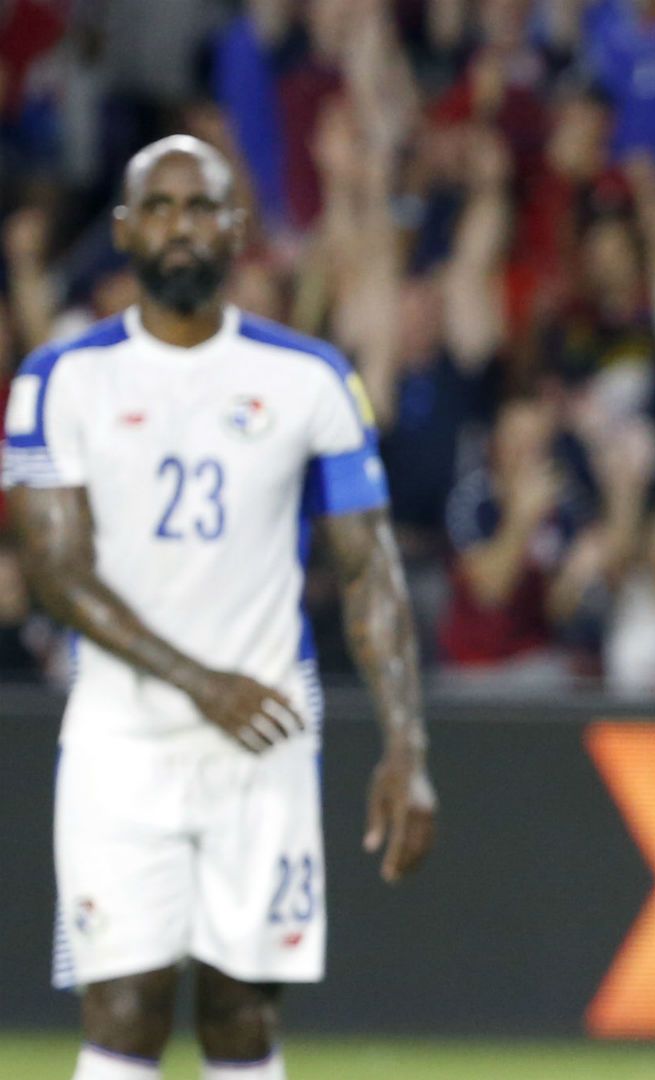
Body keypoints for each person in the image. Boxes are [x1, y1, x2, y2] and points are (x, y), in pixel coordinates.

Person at [3, 136, 437, 1080]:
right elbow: (53, 571)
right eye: (159, 208)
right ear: (123, 229)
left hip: (265, 739)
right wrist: (202, 684)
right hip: (122, 743)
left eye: (202, 207)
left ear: (237, 228)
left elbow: (368, 571)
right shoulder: (61, 380)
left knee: (243, 1016)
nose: (182, 227)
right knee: (123, 1008)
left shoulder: (308, 378)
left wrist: (408, 748)